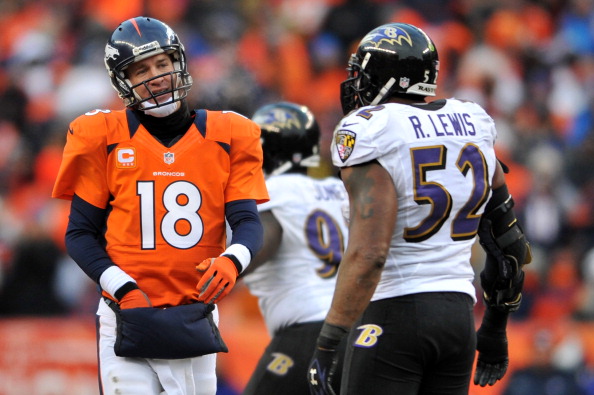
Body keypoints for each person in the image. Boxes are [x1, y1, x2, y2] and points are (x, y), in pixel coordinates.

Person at [307, 23, 532, 395]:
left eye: (362, 75)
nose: (356, 84)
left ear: (382, 77)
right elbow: (509, 244)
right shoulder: (472, 121)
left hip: (393, 315)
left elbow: (370, 253)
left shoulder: (371, 129)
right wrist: (494, 326)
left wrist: (328, 341)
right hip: (458, 318)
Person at [52, 16, 269, 395]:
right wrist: (122, 288)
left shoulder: (229, 134)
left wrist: (232, 260)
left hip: (195, 314)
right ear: (123, 81)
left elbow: (248, 221)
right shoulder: (101, 136)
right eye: (140, 69)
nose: (155, 76)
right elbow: (80, 233)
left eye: (162, 63)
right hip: (125, 314)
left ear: (179, 63)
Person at [241, 102, 349, 395]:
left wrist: (216, 267)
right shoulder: (340, 189)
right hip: (355, 329)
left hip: (307, 331)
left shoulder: (273, 192)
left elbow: (259, 247)